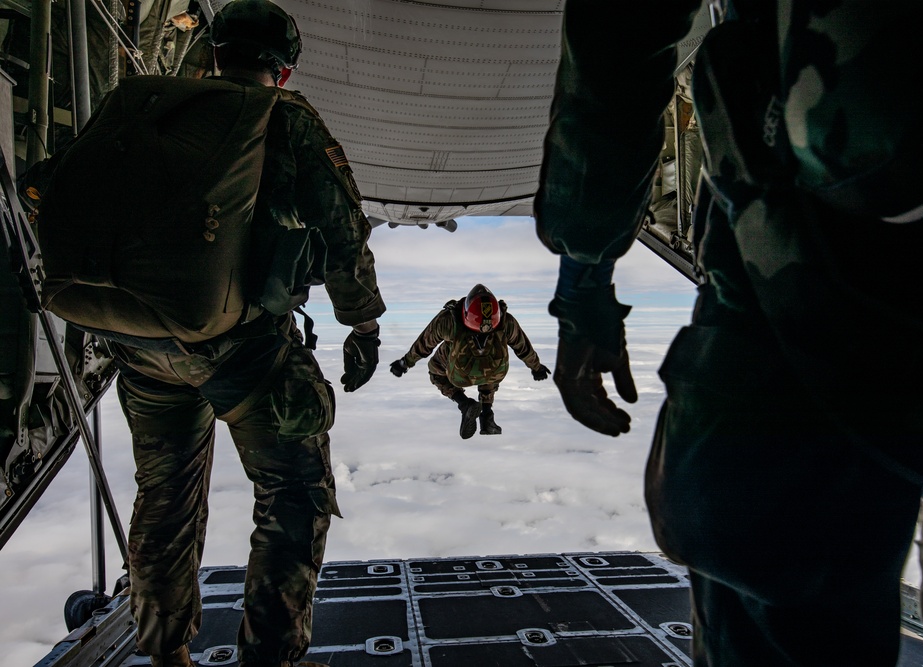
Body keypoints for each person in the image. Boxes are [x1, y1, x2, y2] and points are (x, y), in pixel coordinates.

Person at [534, 1, 923, 665]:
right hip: (843, 236)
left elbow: (623, 31)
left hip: (814, 263)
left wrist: (583, 279)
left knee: (775, 566)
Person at [23, 1, 385, 665]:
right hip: (236, 348)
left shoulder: (142, 106)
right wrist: (362, 321)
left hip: (139, 347)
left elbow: (47, 184)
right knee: (294, 492)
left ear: (214, 52)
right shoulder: (283, 117)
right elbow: (342, 229)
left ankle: (165, 652)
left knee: (164, 498)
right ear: (282, 70)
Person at [388, 284, 550, 439]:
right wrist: (536, 368)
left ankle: (464, 404)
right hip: (495, 373)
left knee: (435, 369)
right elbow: (523, 348)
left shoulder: (449, 321)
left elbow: (425, 344)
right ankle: (487, 417)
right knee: (489, 367)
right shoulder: (506, 322)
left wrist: (405, 363)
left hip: (459, 375)